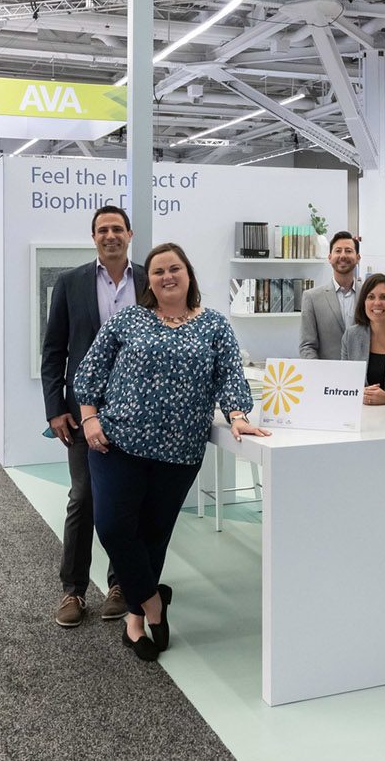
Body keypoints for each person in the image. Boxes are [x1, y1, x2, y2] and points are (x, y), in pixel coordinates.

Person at [74, 242, 270, 662]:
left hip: (178, 452)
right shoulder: (129, 319)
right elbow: (90, 371)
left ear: (188, 275)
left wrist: (237, 415)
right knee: (112, 527)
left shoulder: (214, 325)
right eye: (159, 270)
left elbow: (229, 377)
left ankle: (134, 621)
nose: (166, 276)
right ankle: (154, 602)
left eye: (174, 268)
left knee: (153, 536)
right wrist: (90, 419)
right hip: (116, 443)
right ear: (150, 281)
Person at [41, 205, 147, 628]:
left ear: (129, 234)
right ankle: (73, 591)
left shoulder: (149, 281)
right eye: (103, 230)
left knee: (126, 502)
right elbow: (54, 352)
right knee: (83, 498)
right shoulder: (70, 284)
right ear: (93, 237)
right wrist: (55, 409)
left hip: (139, 409)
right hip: (83, 409)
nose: (110, 236)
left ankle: (121, 583)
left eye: (117, 229)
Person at [340, 273, 385, 404]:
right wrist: (358, 393)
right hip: (361, 415)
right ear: (364, 302)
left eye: (384, 297)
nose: (377, 303)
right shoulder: (351, 336)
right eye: (371, 297)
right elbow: (345, 381)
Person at [299, 230, 361, 360]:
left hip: (365, 377)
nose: (343, 255)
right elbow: (307, 346)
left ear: (358, 257)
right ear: (329, 257)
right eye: (338, 251)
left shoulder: (369, 295)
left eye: (348, 251)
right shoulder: (312, 298)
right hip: (327, 377)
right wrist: (319, 375)